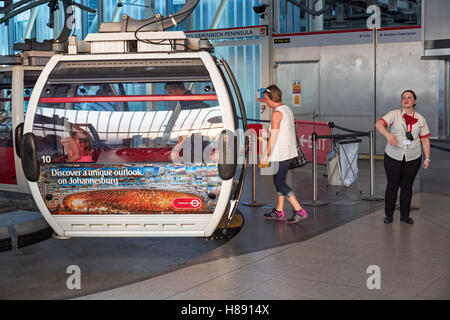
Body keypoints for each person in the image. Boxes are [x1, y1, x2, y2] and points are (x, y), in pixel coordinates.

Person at [375, 89, 431, 225]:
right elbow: (379, 124)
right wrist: (388, 135)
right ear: (401, 101)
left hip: (413, 157)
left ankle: (405, 215)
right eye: (404, 97)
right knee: (392, 185)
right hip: (393, 155)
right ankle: (388, 214)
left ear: (415, 101)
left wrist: (427, 158)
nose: (406, 99)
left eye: (409, 97)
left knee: (407, 186)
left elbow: (425, 140)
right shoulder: (394, 114)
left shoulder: (421, 119)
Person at [260, 85, 308, 224]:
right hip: (288, 152)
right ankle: (279, 210)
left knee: (279, 182)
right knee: (279, 181)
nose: (265, 101)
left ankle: (299, 210)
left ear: (270, 98)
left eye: (265, 98)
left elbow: (274, 137)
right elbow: (281, 129)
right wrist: (269, 130)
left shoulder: (276, 113)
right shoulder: (286, 109)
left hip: (280, 153)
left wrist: (265, 154)